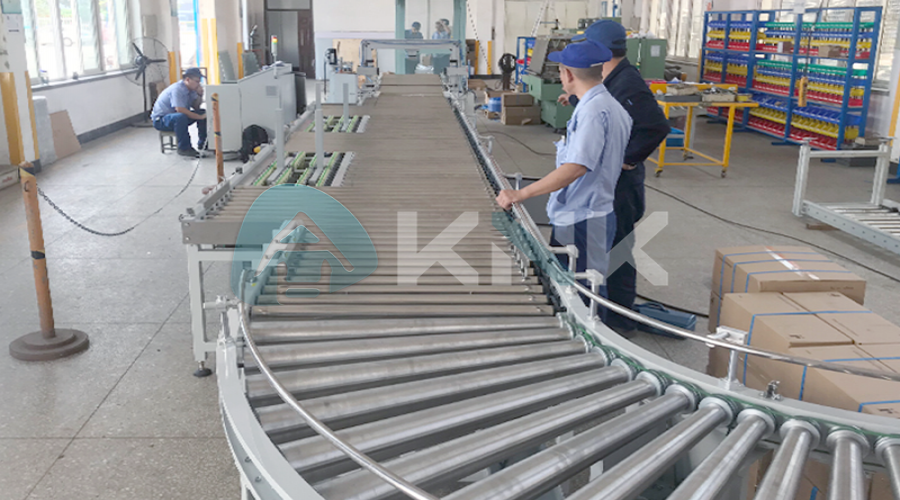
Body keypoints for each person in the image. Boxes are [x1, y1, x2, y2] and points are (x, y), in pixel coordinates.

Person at [496, 39, 632, 318]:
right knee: (577, 282)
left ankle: (592, 339)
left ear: (568, 74)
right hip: (589, 210)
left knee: (585, 290)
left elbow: (576, 167)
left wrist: (521, 194)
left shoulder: (593, 112)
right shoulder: (607, 104)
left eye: (560, 71)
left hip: (583, 217)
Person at [559, 21, 670, 332]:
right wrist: (575, 98)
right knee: (604, 249)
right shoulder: (610, 79)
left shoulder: (628, 82)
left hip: (621, 187)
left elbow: (656, 126)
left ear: (600, 51)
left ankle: (620, 321)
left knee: (618, 252)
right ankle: (605, 310)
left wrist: (626, 160)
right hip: (609, 184)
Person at [152, 67, 208, 158]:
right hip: (161, 120)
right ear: (187, 80)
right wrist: (199, 117)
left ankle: (203, 143)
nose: (199, 84)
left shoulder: (191, 90)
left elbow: (196, 107)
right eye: (197, 81)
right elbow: (179, 109)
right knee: (180, 117)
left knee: (202, 112)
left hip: (178, 118)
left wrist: (200, 95)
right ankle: (184, 148)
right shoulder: (177, 89)